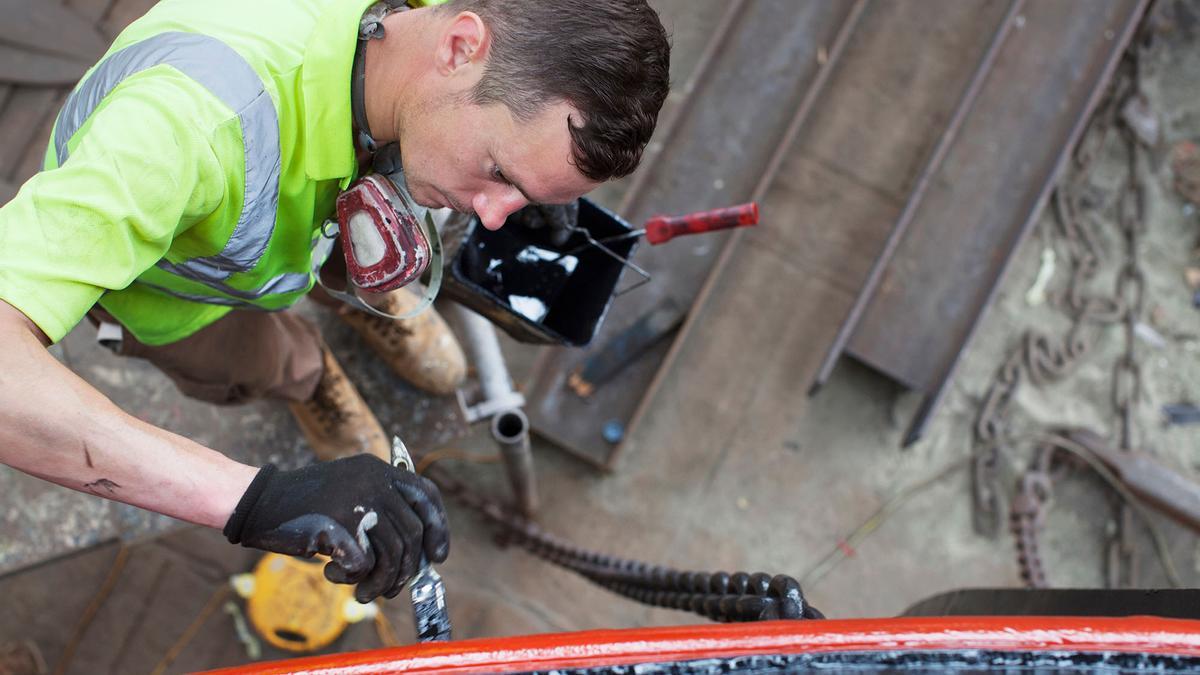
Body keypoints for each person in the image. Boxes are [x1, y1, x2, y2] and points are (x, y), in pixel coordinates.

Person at [0, 0, 670, 603]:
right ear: (461, 46)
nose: (495, 217)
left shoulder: (435, 38)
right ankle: (310, 377)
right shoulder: (180, 131)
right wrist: (257, 499)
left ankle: (359, 297)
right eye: (498, 172)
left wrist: (537, 181)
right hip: (185, 292)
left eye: (521, 195)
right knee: (254, 359)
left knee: (365, 244)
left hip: (301, 220)